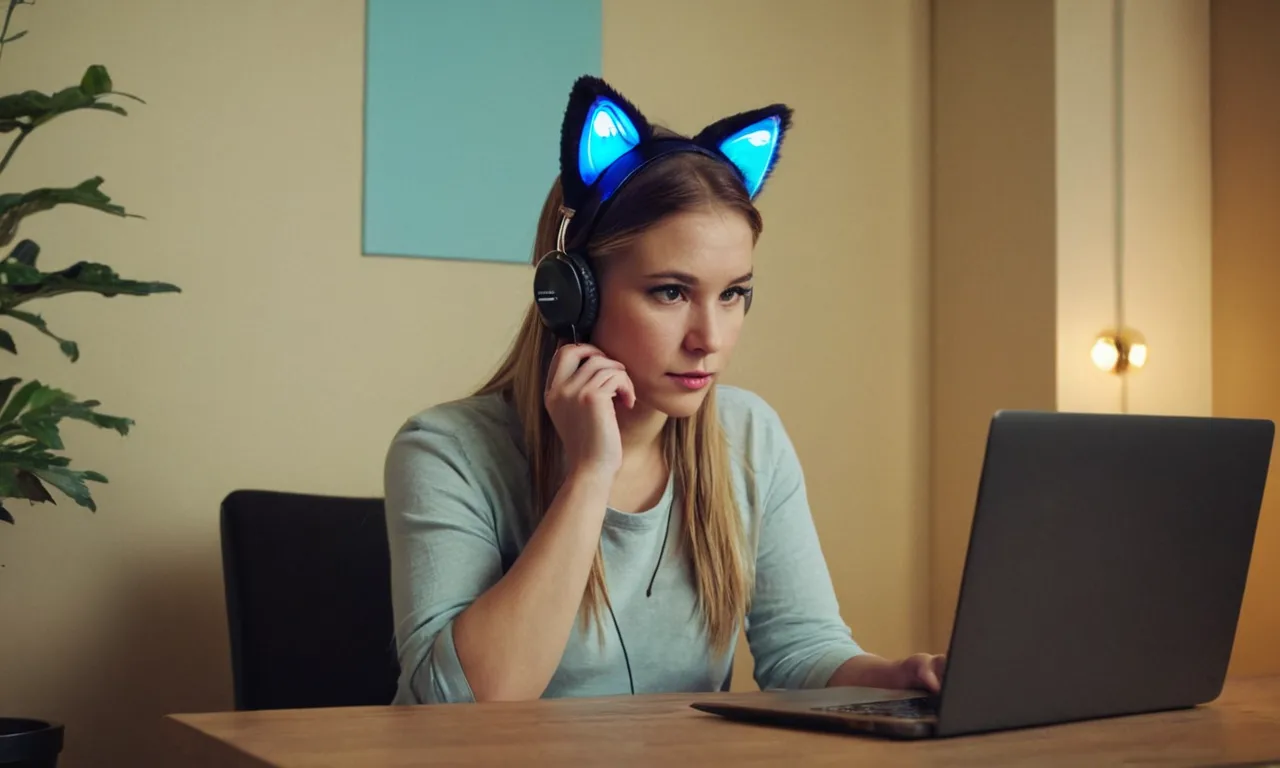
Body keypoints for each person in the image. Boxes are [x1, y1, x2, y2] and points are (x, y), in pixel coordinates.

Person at [383, 75, 946, 705]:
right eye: (671, 292)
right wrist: (592, 474)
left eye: (733, 294)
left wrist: (900, 678)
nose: (710, 338)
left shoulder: (749, 436)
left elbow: (801, 652)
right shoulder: (445, 450)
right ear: (573, 294)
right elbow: (459, 706)